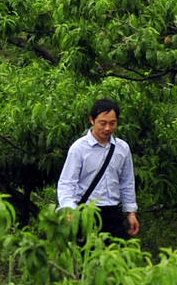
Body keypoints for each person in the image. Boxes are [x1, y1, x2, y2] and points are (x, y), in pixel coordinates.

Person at [56, 99, 138, 240]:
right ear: (92, 120)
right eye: (103, 123)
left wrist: (131, 212)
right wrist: (69, 209)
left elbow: (127, 182)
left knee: (118, 257)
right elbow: (67, 183)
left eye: (112, 123)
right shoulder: (79, 148)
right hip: (86, 212)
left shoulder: (122, 148)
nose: (107, 128)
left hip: (113, 213)